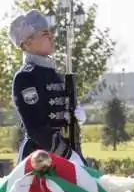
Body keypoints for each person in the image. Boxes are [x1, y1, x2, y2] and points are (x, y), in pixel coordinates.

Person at [9, 10, 84, 165]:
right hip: (39, 157)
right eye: (44, 34)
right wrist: (66, 154)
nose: (51, 36)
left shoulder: (53, 73)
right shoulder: (26, 77)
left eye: (50, 33)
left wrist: (74, 115)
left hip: (64, 149)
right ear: (27, 42)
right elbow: (36, 129)